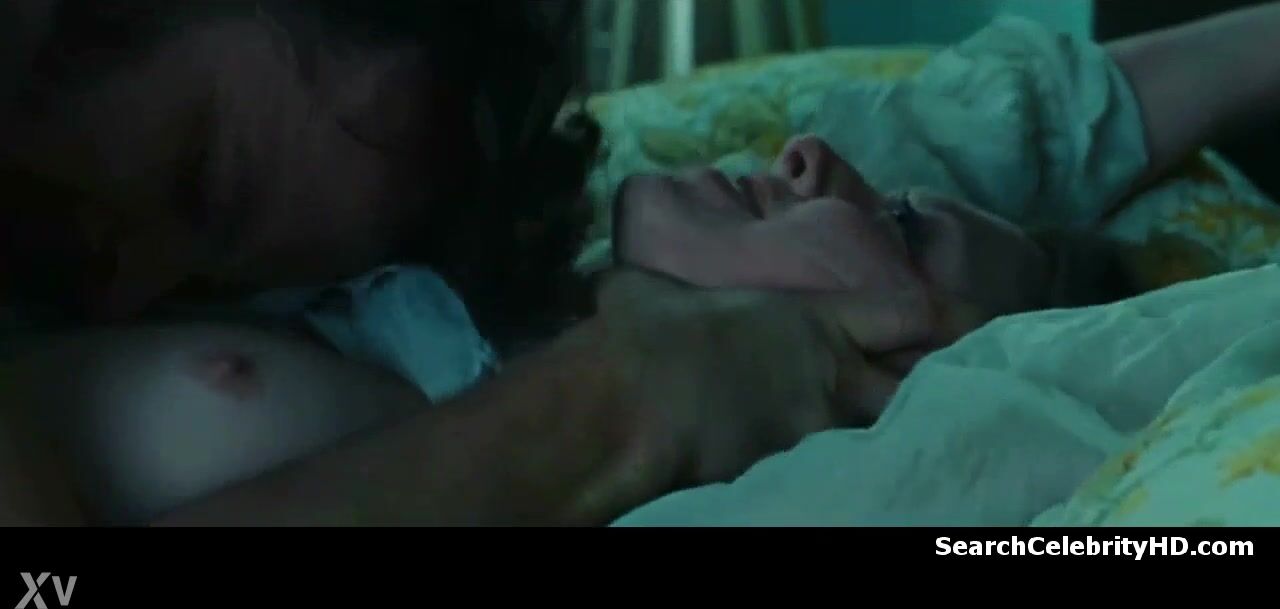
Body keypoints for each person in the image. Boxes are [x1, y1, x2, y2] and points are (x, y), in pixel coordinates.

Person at [2, 1, 1280, 526]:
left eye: (206, 223)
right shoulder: (638, 280)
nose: (116, 289)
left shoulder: (805, 451)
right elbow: (992, 125)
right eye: (199, 175)